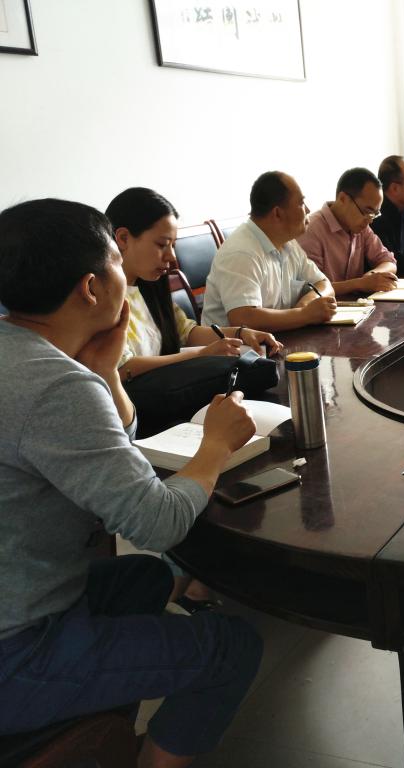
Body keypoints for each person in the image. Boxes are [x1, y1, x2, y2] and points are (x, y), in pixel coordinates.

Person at [0, 198, 263, 767]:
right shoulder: (53, 385)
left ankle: (100, 716)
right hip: (15, 650)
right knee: (231, 648)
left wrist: (104, 372)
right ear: (91, 287)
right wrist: (216, 445)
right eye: (117, 262)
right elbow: (157, 522)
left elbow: (112, 450)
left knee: (145, 577)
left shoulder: (22, 352)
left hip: (21, 599)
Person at [107, 188, 283, 423]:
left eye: (173, 245)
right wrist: (200, 355)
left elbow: (186, 332)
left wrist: (241, 333)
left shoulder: (149, 287)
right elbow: (123, 368)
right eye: (162, 244)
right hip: (138, 413)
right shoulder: (104, 300)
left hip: (170, 400)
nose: (171, 257)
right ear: (123, 238)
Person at [202, 171, 338, 330]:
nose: (308, 209)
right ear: (278, 213)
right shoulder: (242, 252)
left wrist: (306, 304)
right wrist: (304, 314)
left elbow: (324, 284)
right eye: (301, 203)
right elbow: (243, 319)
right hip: (232, 345)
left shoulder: (288, 243)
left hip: (277, 339)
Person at [296, 168, 399, 296]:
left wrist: (373, 276)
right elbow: (311, 288)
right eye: (366, 211)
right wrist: (360, 284)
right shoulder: (312, 229)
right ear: (343, 198)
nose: (370, 220)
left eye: (375, 214)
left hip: (357, 305)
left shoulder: (362, 227)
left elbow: (388, 261)